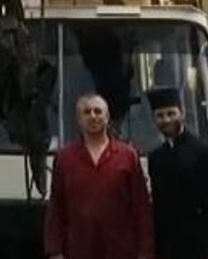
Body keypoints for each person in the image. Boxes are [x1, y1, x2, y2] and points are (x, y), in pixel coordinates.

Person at [44, 93, 153, 259]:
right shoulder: (64, 158)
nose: (93, 116)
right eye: (87, 112)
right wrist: (55, 251)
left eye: (98, 111)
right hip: (78, 250)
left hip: (121, 250)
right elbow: (56, 208)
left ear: (107, 117)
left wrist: (145, 252)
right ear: (79, 119)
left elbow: (141, 207)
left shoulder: (128, 156)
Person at [146, 88, 208, 259]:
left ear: (181, 114)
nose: (166, 119)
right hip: (168, 248)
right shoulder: (155, 158)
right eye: (160, 115)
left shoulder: (205, 153)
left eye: (171, 113)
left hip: (201, 247)